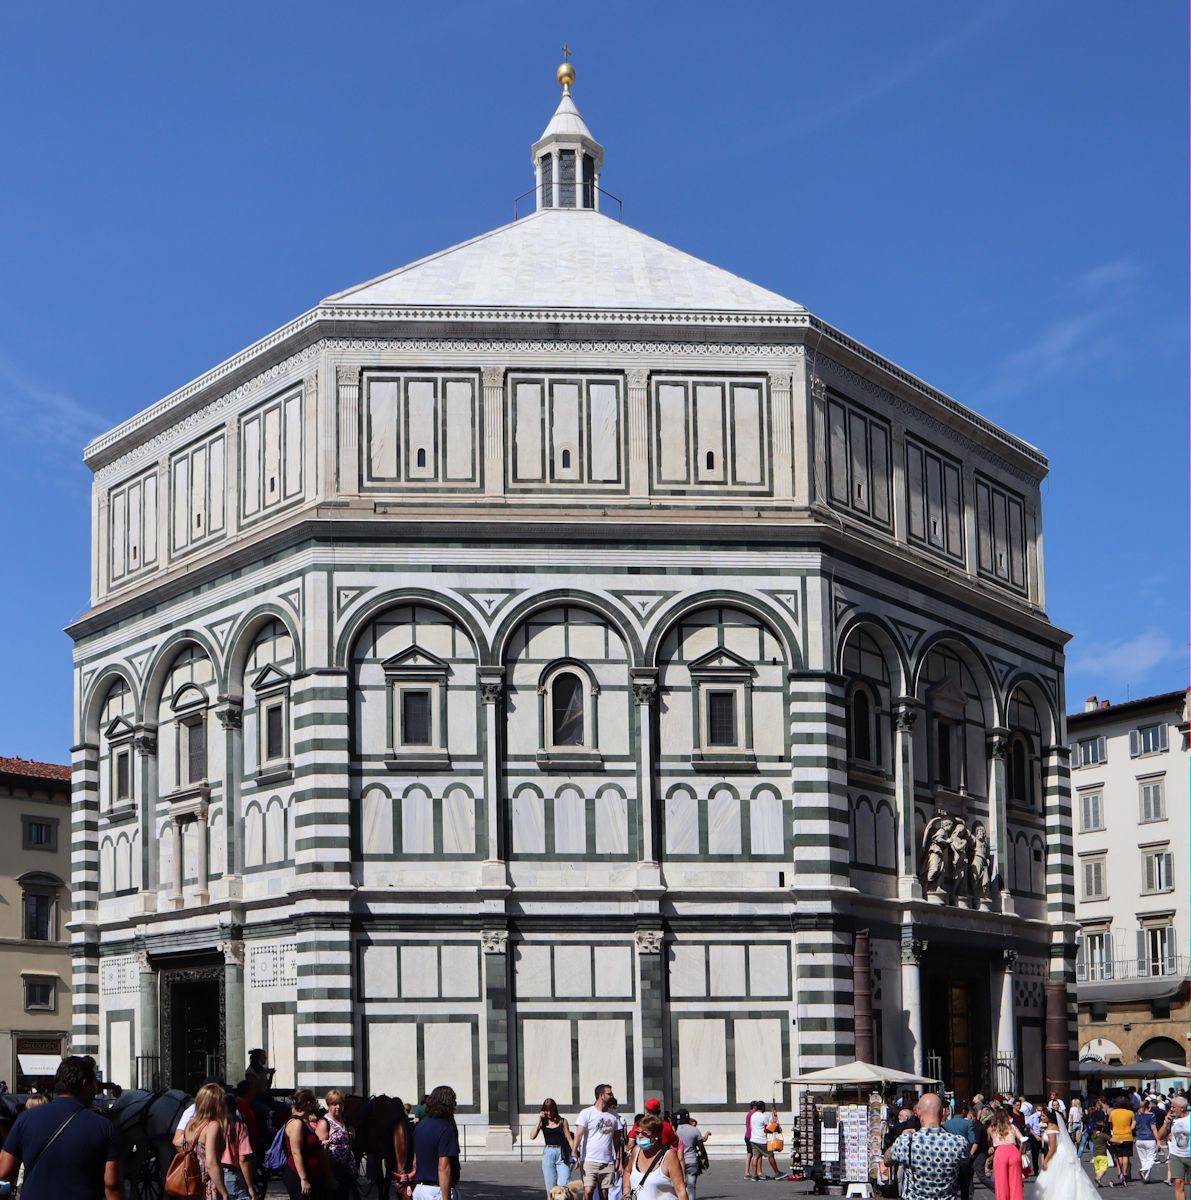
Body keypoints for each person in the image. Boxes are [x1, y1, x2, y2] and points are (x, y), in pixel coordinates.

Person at [0, 1054, 123, 1200]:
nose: (96, 1090)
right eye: (95, 1084)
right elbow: (112, 1184)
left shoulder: (25, 1119)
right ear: (85, 1084)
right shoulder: (103, 1126)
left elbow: (4, 1174)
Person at [882, 1094, 969, 1200]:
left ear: (918, 1112)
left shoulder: (907, 1141)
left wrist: (900, 1138)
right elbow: (965, 1169)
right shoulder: (959, 1143)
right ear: (942, 1112)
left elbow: (887, 1161)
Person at [620, 1113, 688, 1200]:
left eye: (645, 1133)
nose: (639, 1136)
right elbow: (627, 1171)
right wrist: (626, 1191)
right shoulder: (636, 1151)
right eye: (637, 1132)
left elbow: (681, 1190)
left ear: (656, 1136)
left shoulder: (669, 1156)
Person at [281, 1088, 333, 1199]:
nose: (315, 1105)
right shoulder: (296, 1123)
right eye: (314, 1102)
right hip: (298, 1176)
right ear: (308, 1103)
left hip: (314, 1175)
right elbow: (296, 1152)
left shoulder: (305, 1121)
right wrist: (303, 1179)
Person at [411, 1085, 461, 1200]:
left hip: (420, 1190)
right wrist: (446, 1197)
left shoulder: (420, 1127)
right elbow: (444, 1168)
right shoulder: (447, 1129)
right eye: (454, 1103)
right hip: (437, 1192)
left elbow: (415, 1162)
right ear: (448, 1105)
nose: (455, 1108)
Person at [575, 1084, 622, 1200]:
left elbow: (617, 1140)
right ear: (601, 1095)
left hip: (607, 1161)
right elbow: (579, 1134)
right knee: (588, 1190)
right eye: (609, 1094)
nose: (612, 1096)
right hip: (589, 1159)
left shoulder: (614, 1116)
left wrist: (619, 1160)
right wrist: (574, 1153)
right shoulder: (586, 1113)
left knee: (604, 1193)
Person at [316, 1089, 357, 1199]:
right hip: (332, 1170)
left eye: (340, 1104)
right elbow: (320, 1150)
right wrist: (329, 1176)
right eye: (334, 1104)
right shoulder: (324, 1123)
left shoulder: (345, 1122)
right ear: (328, 1105)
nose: (338, 1107)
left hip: (346, 1170)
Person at [529, 1098, 574, 1195]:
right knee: (551, 1187)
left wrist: (575, 1154)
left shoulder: (562, 1121)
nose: (549, 1113)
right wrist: (539, 1119)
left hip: (562, 1153)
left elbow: (570, 1139)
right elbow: (532, 1136)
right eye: (546, 1110)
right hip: (548, 1153)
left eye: (551, 1110)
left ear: (555, 1109)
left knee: (564, 1184)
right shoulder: (543, 1122)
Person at [942, 1099, 980, 1200]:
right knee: (965, 1185)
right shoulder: (968, 1124)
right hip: (963, 1157)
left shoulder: (946, 1124)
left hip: (949, 1156)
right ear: (963, 1111)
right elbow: (972, 1139)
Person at [987, 1108, 1026, 1200]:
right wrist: (1020, 1151)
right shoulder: (1012, 1127)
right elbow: (1023, 1140)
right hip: (1013, 1151)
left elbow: (989, 1142)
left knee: (1001, 1182)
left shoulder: (991, 1129)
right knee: (1015, 1181)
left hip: (1000, 1152)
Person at [1158, 1096, 1190, 1200]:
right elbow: (1160, 1136)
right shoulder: (1172, 1119)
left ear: (1182, 1108)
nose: (1171, 1109)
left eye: (1173, 1107)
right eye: (1171, 1106)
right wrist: (1166, 1123)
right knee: (1178, 1184)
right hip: (1176, 1156)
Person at [673, 1109, 707, 1200]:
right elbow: (701, 1147)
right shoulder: (694, 1130)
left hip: (677, 1162)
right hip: (692, 1160)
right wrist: (705, 1159)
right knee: (691, 1186)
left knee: (679, 1186)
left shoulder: (674, 1131)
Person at [1108, 1095, 1135, 1185]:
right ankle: (1125, 1173)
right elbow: (1133, 1123)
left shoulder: (1113, 1112)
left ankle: (1119, 1173)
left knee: (1118, 1156)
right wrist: (1130, 1129)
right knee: (1126, 1156)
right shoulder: (1130, 1112)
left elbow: (1110, 1123)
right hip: (1127, 1136)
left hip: (1116, 1137)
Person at [1134, 1100, 1159, 1182]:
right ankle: (1143, 1170)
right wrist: (1158, 1139)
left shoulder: (1137, 1115)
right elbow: (1153, 1128)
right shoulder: (1151, 1115)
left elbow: (1133, 1126)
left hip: (1139, 1139)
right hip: (1149, 1138)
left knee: (1143, 1159)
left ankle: (1146, 1177)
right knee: (1152, 1158)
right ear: (1149, 1106)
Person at [745, 1100, 770, 1182]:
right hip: (754, 1136)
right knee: (752, 1155)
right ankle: (751, 1173)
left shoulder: (750, 1114)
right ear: (754, 1107)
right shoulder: (754, 1114)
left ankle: (756, 1173)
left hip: (751, 1137)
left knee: (755, 1155)